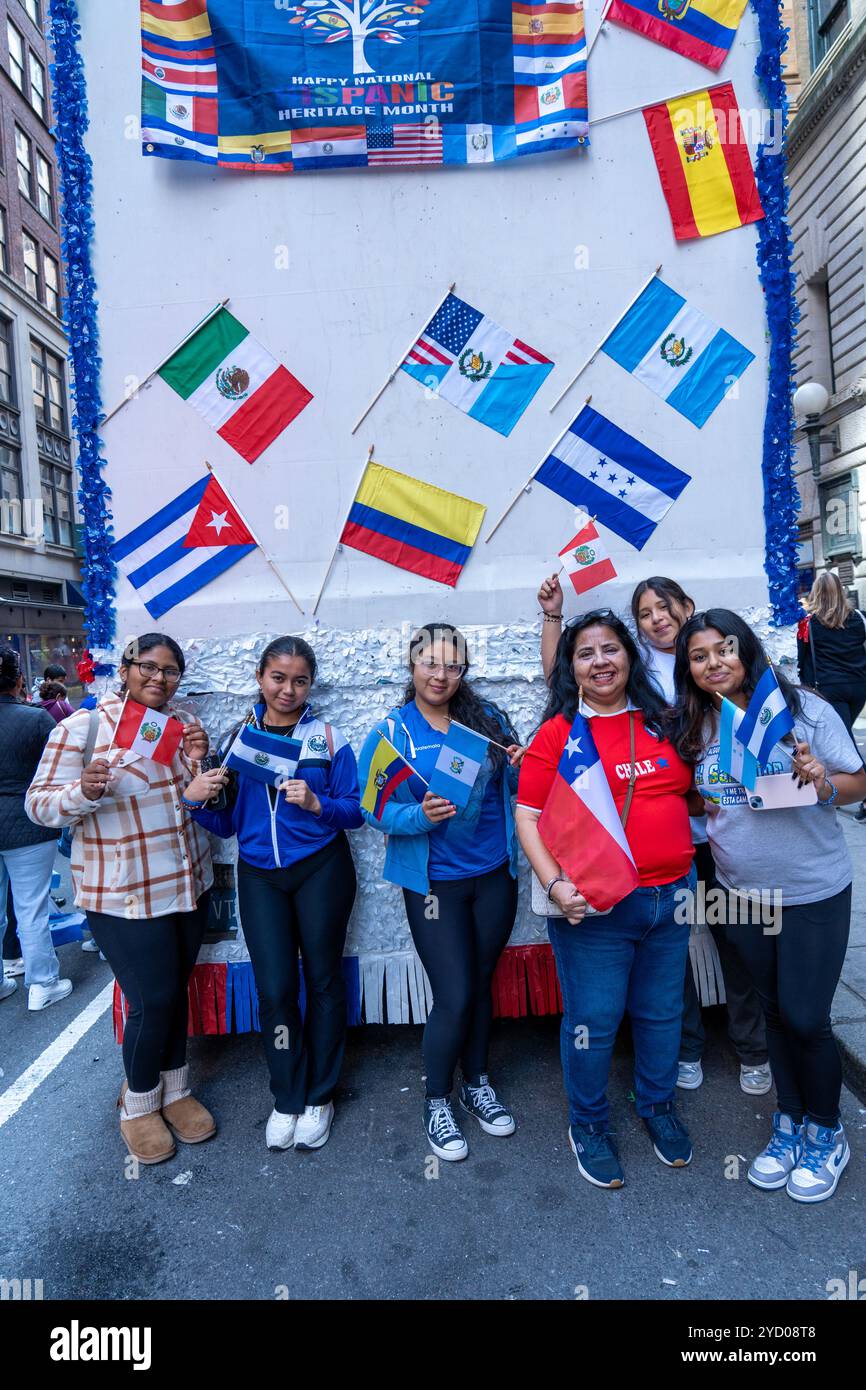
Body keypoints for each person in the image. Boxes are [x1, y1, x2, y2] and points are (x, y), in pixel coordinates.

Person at [675, 608, 866, 1203]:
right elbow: (697, 801)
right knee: (776, 1013)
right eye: (699, 657)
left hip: (812, 891)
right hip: (740, 893)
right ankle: (790, 1123)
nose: (713, 664)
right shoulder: (694, 724)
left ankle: (827, 1131)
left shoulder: (804, 709)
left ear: (746, 649)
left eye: (722, 650)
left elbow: (858, 784)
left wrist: (823, 780)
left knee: (808, 1018)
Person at [516, 610, 697, 1190]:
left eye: (611, 649)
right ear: (572, 667)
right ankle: (588, 1124)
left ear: (630, 656)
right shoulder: (558, 734)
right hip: (595, 907)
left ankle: (658, 1107)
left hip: (673, 898)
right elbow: (528, 816)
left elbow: (697, 795)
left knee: (662, 1013)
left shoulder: (666, 723)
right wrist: (554, 884)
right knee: (593, 1021)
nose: (601, 661)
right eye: (586, 653)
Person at [26, 634, 215, 1166]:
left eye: (170, 670)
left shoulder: (181, 725)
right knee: (152, 1000)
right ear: (126, 668)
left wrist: (200, 759)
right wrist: (83, 790)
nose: (158, 678)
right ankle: (137, 1103)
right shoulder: (81, 728)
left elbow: (197, 799)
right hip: (122, 893)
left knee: (175, 992)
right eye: (147, 667)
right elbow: (38, 806)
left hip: (187, 883)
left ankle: (174, 1091)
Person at [185, 636, 362, 1154]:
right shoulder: (237, 740)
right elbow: (225, 822)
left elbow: (355, 810)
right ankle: (287, 1095)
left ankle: (321, 1096)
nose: (288, 689)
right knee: (276, 988)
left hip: (321, 870)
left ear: (311, 684)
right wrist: (195, 800)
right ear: (260, 678)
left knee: (324, 980)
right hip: (260, 875)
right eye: (278, 678)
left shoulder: (327, 737)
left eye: (300, 680)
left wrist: (316, 803)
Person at [359, 622, 523, 1163]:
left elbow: (520, 792)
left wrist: (522, 767)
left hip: (494, 876)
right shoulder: (393, 731)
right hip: (435, 886)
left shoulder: (490, 720)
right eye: (431, 662)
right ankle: (437, 1098)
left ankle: (476, 1083)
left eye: (453, 665)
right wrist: (417, 815)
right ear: (412, 664)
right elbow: (372, 808)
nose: (441, 674)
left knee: (478, 984)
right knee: (453, 993)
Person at [631, 578, 771, 1097]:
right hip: (670, 836)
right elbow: (563, 680)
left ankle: (753, 1050)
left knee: (734, 938)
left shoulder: (721, 680)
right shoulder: (638, 672)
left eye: (665, 607)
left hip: (721, 838)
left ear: (688, 610)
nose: (657, 618)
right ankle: (685, 1047)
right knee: (671, 950)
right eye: (645, 613)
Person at [0, 646, 67, 1008]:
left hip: (22, 822)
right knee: (31, 908)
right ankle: (42, 984)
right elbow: (61, 769)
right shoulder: (36, 719)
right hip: (28, 822)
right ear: (19, 680)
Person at [797, 571, 866, 819]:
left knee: (845, 742)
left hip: (829, 689)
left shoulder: (809, 624)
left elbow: (803, 661)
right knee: (844, 735)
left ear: (816, 593)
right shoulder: (859, 618)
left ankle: (860, 791)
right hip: (859, 687)